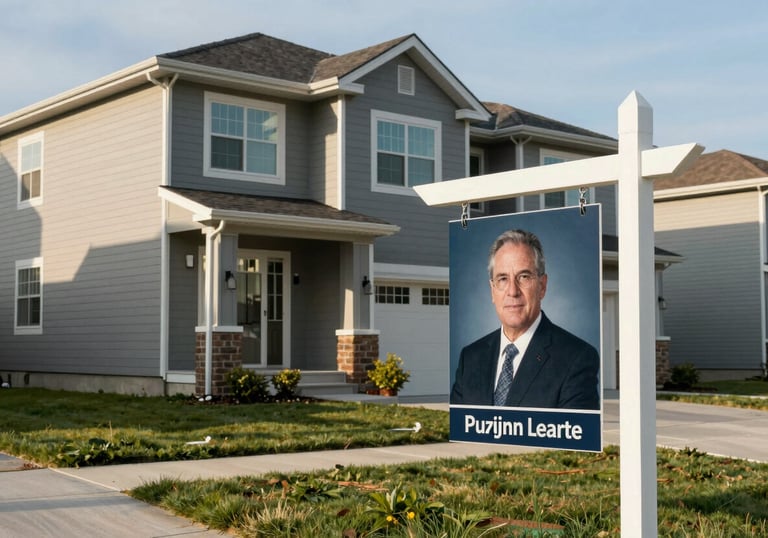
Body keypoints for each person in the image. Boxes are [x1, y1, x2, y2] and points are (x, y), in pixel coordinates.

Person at [450, 229, 599, 410]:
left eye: (524, 277)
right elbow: (458, 432)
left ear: (542, 286)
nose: (512, 291)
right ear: (492, 290)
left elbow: (575, 435)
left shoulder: (577, 358)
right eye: (503, 278)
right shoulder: (470, 358)